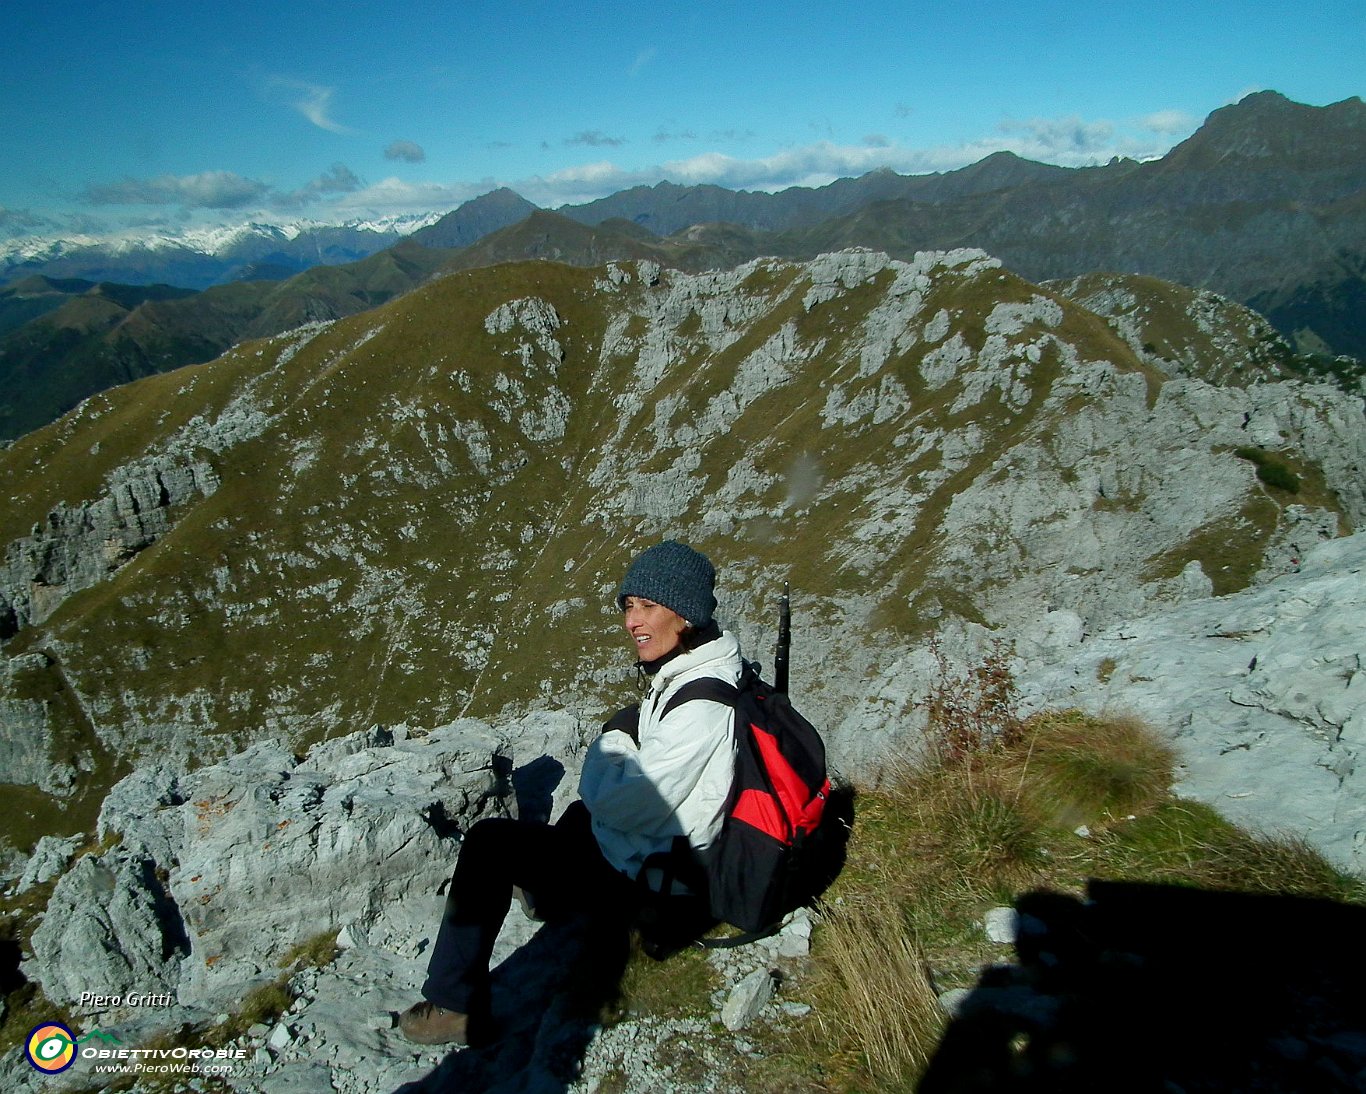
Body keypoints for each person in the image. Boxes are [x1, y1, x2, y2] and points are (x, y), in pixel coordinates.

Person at [399, 540, 743, 1045]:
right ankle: (549, 890)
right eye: (629, 606)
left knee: (491, 842)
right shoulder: (701, 670)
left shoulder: (702, 706)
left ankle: (454, 1004)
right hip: (657, 852)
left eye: (648, 605)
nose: (632, 621)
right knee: (579, 817)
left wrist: (612, 743)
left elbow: (625, 800)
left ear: (685, 614)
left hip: (658, 882)